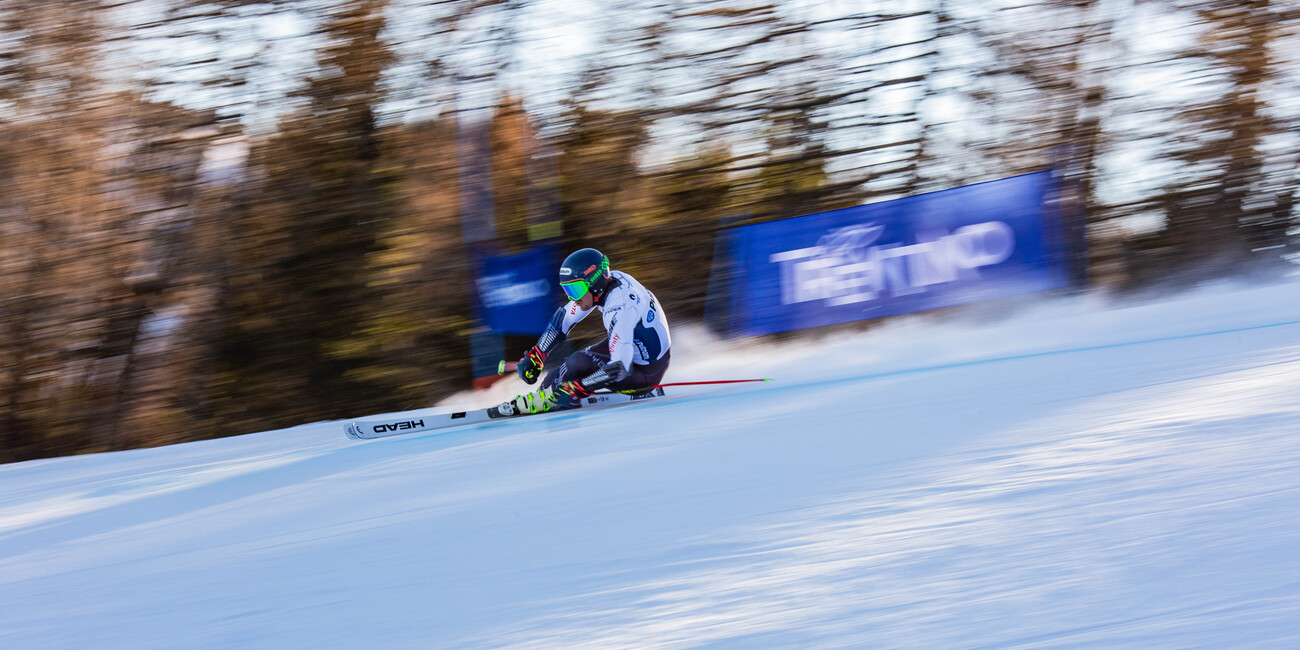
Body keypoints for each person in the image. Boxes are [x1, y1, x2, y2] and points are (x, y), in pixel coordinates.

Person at [512, 247, 671, 413]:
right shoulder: (607, 283)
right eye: (568, 290)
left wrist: (578, 388)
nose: (573, 298)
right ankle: (543, 398)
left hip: (647, 372)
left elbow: (619, 367)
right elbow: (564, 319)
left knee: (576, 363)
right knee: (557, 374)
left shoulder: (620, 307)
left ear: (594, 284)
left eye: (576, 290)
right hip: (634, 349)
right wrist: (538, 354)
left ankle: (548, 400)